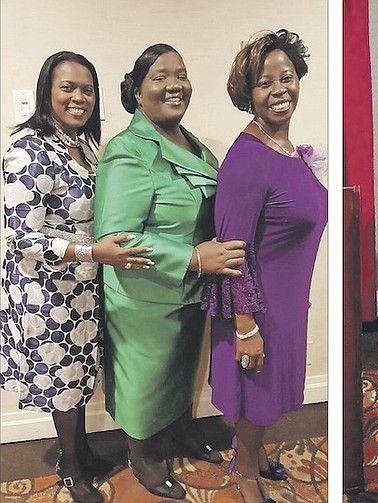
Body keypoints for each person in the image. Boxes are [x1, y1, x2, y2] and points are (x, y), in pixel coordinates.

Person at [93, 44, 246, 500]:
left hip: (189, 289)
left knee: (181, 372)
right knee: (147, 382)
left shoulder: (189, 141)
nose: (174, 84)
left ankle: (181, 434)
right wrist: (195, 258)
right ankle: (143, 456)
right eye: (160, 77)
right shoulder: (128, 149)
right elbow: (117, 237)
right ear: (137, 93)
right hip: (144, 293)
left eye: (180, 74)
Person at [0, 51, 154, 503]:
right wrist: (93, 250)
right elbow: (22, 236)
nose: (79, 97)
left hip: (81, 287)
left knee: (78, 376)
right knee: (63, 381)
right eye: (68, 87)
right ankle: (71, 467)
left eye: (87, 89)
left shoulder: (81, 146)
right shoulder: (28, 148)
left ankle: (80, 450)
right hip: (44, 292)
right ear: (47, 90)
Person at [202, 29, 327, 503]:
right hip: (256, 307)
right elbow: (232, 253)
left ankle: (246, 451)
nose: (279, 90)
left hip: (288, 301)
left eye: (287, 77)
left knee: (270, 397)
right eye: (264, 82)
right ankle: (245, 469)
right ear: (247, 93)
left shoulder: (288, 150)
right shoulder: (247, 159)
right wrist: (246, 325)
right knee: (256, 397)